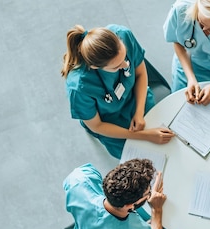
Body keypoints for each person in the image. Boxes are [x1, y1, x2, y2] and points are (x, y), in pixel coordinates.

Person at [62, 24, 175, 159]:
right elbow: (97, 125)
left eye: (124, 57)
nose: (126, 65)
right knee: (143, 160)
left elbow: (140, 74)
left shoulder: (124, 35)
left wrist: (139, 113)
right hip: (110, 123)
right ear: (95, 67)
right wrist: (144, 136)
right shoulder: (79, 87)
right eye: (116, 66)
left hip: (138, 99)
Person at [63, 159, 189, 229]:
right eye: (148, 193)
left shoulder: (79, 179)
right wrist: (157, 210)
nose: (150, 193)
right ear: (130, 206)